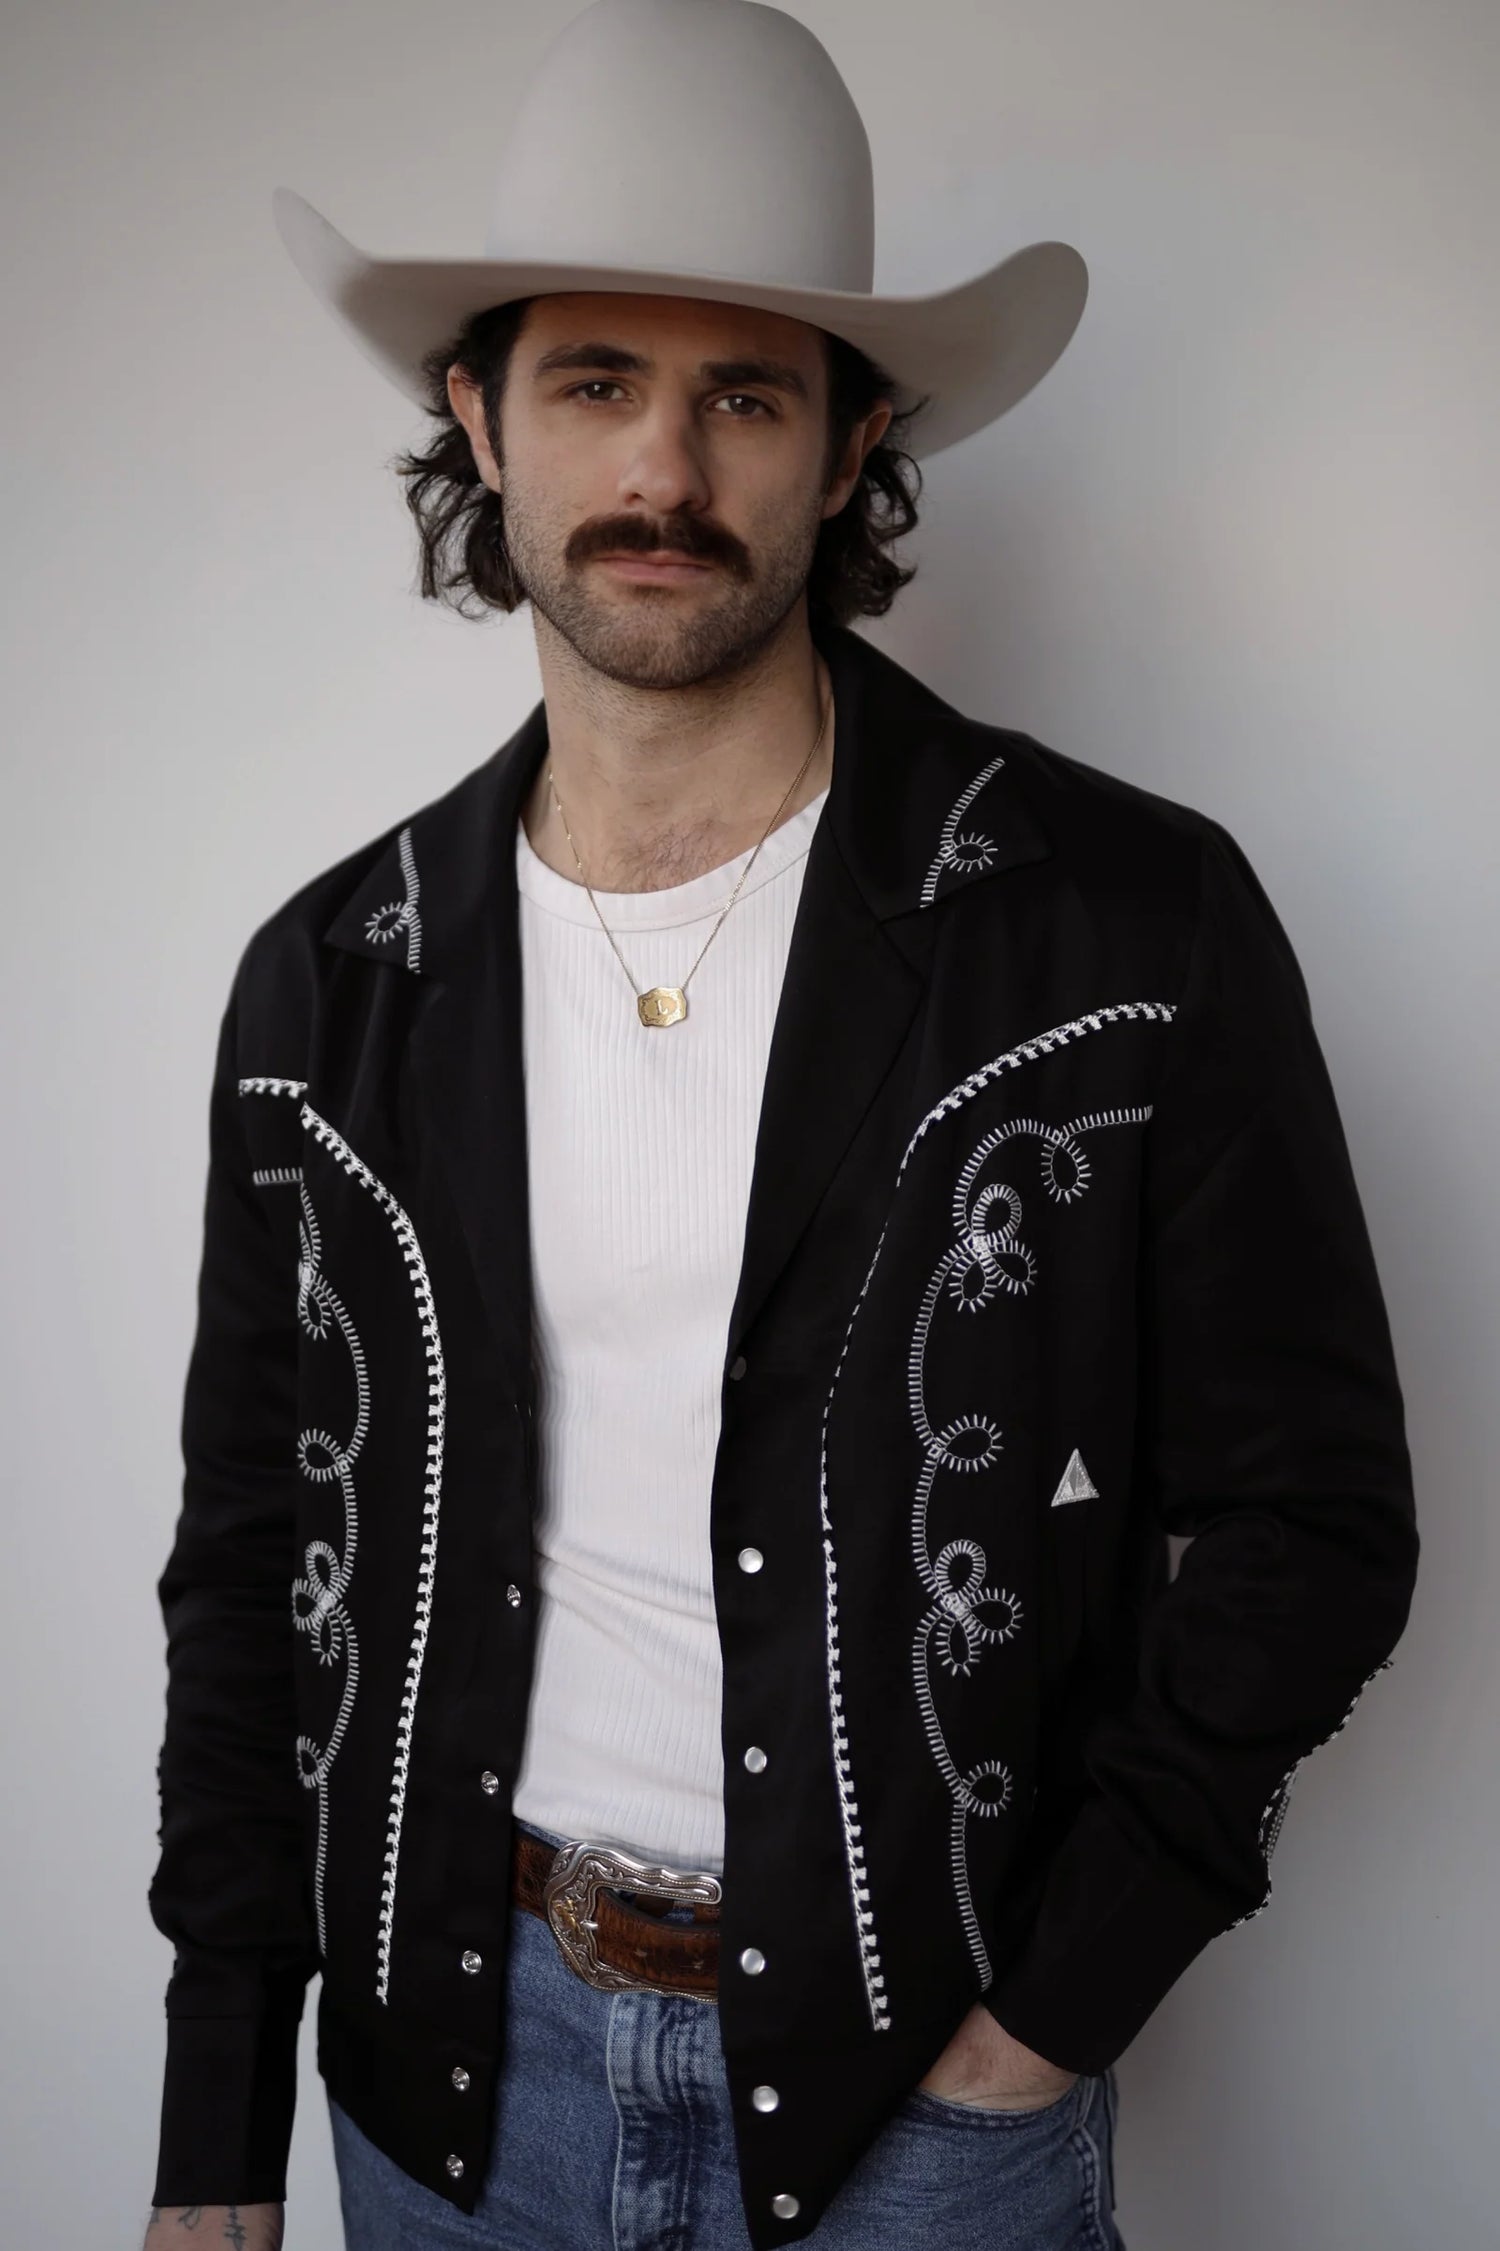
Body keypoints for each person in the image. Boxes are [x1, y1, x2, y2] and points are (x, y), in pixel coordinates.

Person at [142, 4, 1419, 2248]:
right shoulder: (333, 985)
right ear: (480, 418)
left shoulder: (1124, 926)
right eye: (593, 384)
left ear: (849, 451)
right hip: (445, 2090)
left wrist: (1046, 2014)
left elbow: (1310, 1520)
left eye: (744, 394)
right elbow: (260, 1568)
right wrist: (213, 2122)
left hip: (923, 2105)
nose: (665, 470)